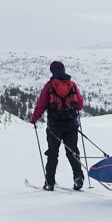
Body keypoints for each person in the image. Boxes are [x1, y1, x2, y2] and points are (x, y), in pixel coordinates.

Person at [29, 60, 85, 190]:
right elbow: (80, 105)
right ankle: (78, 178)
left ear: (52, 71)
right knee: (73, 152)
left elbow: (41, 105)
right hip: (71, 124)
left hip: (54, 126)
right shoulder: (72, 85)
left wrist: (34, 119)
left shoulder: (49, 86)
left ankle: (49, 183)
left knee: (53, 153)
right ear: (64, 70)